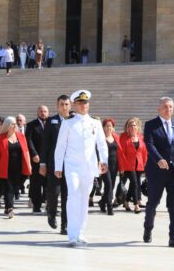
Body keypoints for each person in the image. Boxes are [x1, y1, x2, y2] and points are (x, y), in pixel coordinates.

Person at [54, 90, 108, 246]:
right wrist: (58, 166)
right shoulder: (68, 122)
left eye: (86, 103)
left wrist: (103, 161)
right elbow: (60, 146)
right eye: (81, 103)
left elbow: (102, 144)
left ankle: (80, 232)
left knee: (84, 199)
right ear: (75, 105)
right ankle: (72, 234)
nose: (84, 105)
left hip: (89, 166)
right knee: (73, 195)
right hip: (72, 166)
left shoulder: (95, 122)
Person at [143, 96, 174, 249]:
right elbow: (149, 144)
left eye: (171, 107)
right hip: (156, 172)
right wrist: (158, 159)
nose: (169, 110)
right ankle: (148, 228)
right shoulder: (151, 125)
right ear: (159, 109)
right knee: (153, 203)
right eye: (166, 107)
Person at [40, 95, 70, 233]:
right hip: (54, 164)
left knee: (67, 195)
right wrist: (43, 164)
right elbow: (45, 144)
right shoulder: (51, 121)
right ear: (57, 106)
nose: (64, 107)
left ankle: (65, 225)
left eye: (66, 104)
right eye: (62, 104)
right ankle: (51, 213)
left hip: (70, 164)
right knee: (54, 192)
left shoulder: (74, 120)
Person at [0, 117, 32, 218]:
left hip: (20, 167)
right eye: (12, 124)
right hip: (5, 167)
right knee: (9, 188)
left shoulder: (21, 136)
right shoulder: (1, 137)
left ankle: (7, 206)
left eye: (15, 124)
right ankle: (10, 208)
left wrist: (29, 165)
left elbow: (26, 151)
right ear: (7, 125)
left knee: (14, 187)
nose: (15, 126)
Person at [119, 117, 147, 213]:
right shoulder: (123, 137)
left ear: (137, 126)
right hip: (128, 165)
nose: (132, 127)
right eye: (130, 125)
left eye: (134, 125)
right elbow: (121, 153)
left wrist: (144, 163)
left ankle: (126, 201)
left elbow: (144, 152)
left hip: (138, 164)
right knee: (135, 183)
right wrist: (121, 167)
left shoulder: (140, 137)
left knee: (133, 185)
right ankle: (136, 205)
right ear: (127, 127)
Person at [25, 105, 49, 213]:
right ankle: (37, 205)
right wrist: (34, 154)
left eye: (45, 111)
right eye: (41, 111)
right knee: (36, 183)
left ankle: (49, 204)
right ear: (37, 112)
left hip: (49, 158)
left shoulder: (52, 124)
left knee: (49, 183)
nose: (43, 113)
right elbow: (28, 140)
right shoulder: (31, 125)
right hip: (36, 159)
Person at [98, 118, 121, 215]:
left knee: (111, 186)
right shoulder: (100, 138)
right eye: (106, 126)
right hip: (104, 165)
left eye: (110, 126)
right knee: (108, 184)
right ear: (103, 127)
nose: (108, 128)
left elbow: (120, 152)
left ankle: (102, 202)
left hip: (114, 165)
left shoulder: (116, 137)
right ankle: (109, 206)